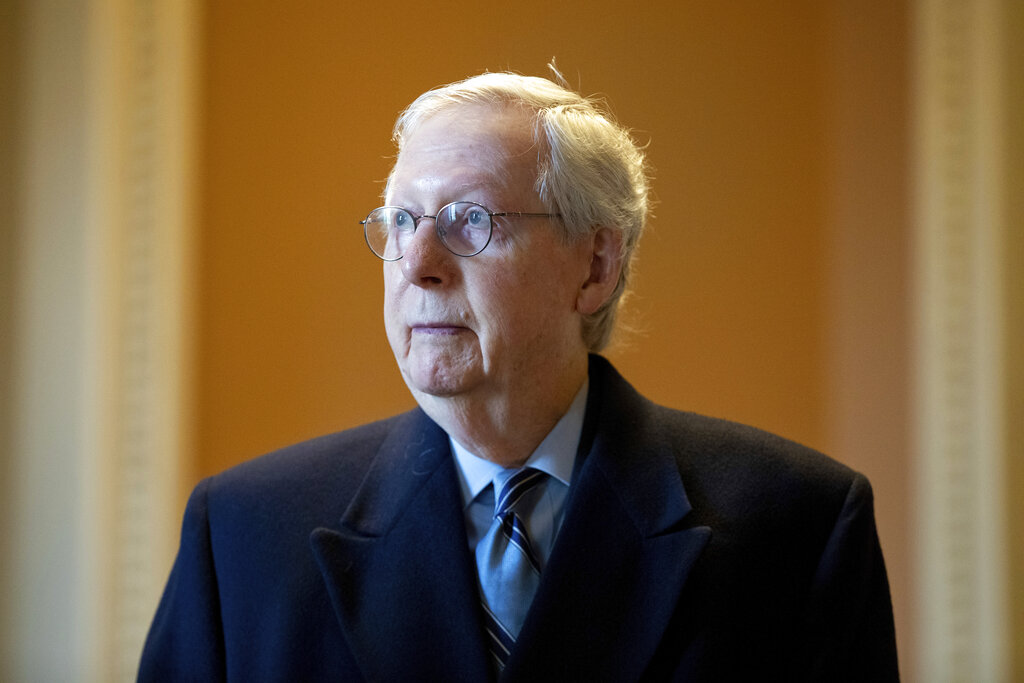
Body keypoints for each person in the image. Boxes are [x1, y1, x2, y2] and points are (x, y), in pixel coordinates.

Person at [139, 71, 899, 681]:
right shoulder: (242, 533)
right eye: (401, 220)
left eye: (470, 220)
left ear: (595, 266)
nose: (418, 265)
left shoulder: (798, 527)